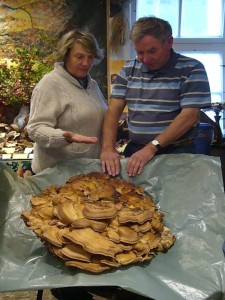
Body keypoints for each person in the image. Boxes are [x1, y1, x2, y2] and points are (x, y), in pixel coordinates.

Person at [101, 16, 211, 177]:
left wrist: (152, 147)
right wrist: (108, 148)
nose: (145, 59)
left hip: (176, 152)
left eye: (152, 51)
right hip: (136, 150)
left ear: (169, 42)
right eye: (140, 52)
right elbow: (113, 110)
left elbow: (189, 116)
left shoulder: (192, 69)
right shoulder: (129, 69)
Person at [27, 29, 107, 174]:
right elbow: (35, 128)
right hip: (55, 175)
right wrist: (64, 137)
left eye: (90, 57)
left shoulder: (92, 85)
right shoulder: (49, 84)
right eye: (79, 57)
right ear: (66, 56)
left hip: (88, 172)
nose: (86, 63)